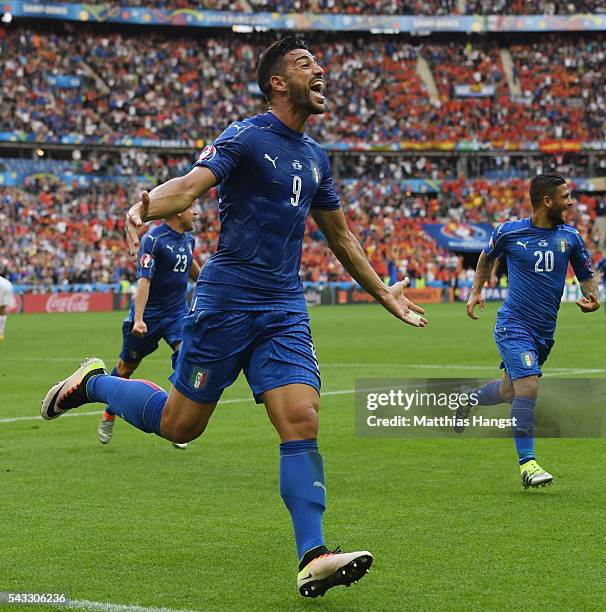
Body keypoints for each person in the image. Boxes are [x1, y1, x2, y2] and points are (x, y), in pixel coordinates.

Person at [41, 35, 427, 598]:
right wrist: (146, 204)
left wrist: (385, 296)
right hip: (225, 302)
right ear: (277, 82)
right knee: (181, 426)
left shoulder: (317, 157)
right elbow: (193, 185)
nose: (319, 70)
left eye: (318, 63)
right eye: (304, 64)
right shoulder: (245, 136)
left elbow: (341, 237)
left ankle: (313, 554)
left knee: (302, 418)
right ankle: (95, 383)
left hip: (283, 307)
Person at [461, 174, 599, 488]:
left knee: (510, 391)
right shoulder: (509, 232)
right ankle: (528, 465)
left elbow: (585, 274)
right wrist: (476, 290)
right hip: (513, 325)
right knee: (529, 389)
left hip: (543, 334)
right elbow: (486, 257)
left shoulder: (571, 237)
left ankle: (466, 398)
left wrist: (594, 297)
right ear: (547, 201)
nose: (571, 202)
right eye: (565, 196)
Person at [97, 205, 200, 449]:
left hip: (176, 314)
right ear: (177, 212)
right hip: (148, 317)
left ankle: (176, 419)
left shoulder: (189, 239)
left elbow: (190, 267)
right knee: (125, 369)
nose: (195, 212)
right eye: (191, 208)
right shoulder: (153, 239)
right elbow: (144, 280)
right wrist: (139, 318)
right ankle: (109, 412)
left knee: (186, 354)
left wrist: (209, 281)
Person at [0, 274, 15, 340]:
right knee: (2, 310)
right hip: (7, 285)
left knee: (1, 310)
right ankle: (1, 333)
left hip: (3, 286)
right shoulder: (5, 281)